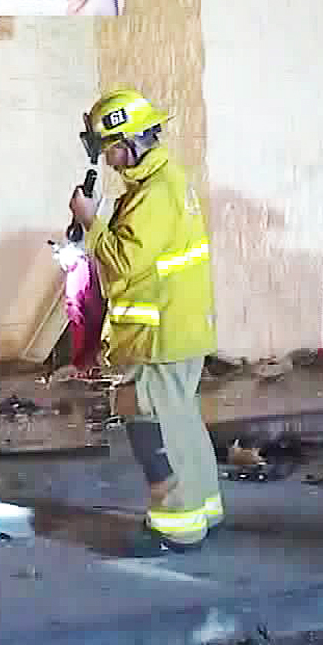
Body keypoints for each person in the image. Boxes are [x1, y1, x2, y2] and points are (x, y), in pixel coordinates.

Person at [69, 88, 220, 553]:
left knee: (152, 424)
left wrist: (90, 223)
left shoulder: (154, 194)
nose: (109, 161)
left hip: (160, 337)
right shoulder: (164, 184)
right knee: (181, 421)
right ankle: (203, 509)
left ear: (129, 141)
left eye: (110, 148)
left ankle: (178, 527)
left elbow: (125, 262)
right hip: (176, 330)